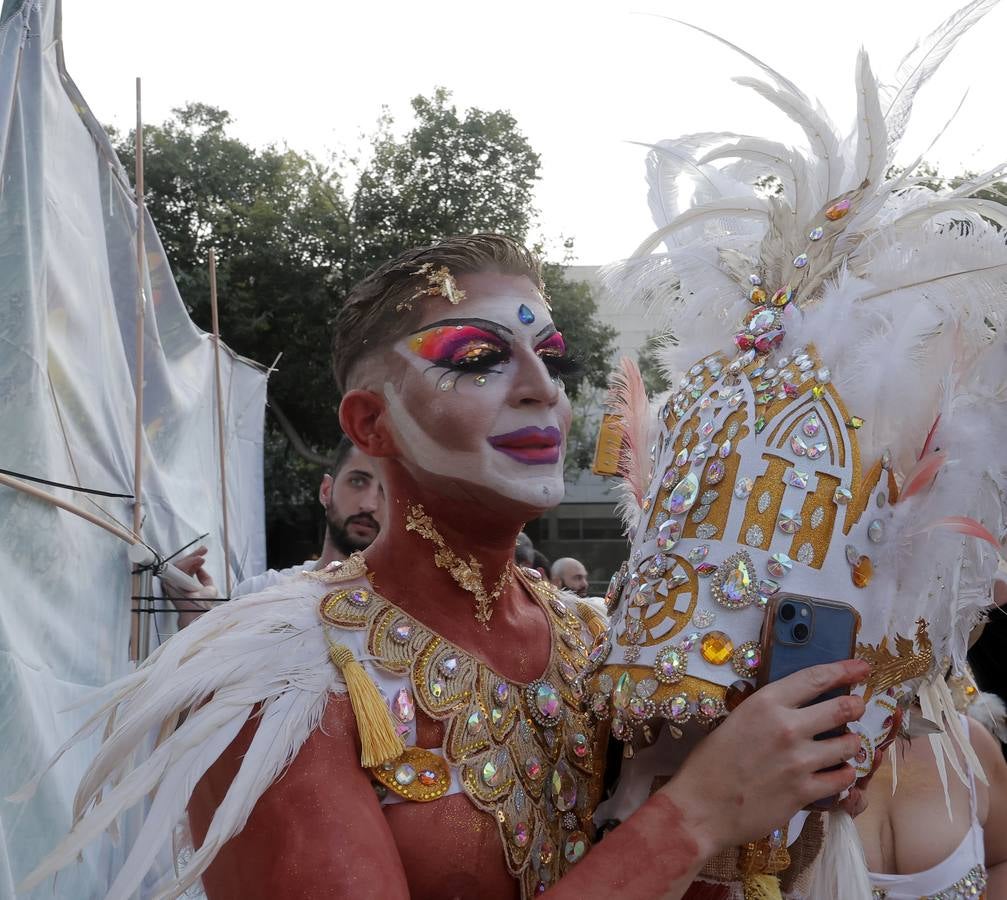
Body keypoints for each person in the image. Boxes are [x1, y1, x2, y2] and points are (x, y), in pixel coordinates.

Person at [21, 235, 868, 900]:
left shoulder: (603, 644)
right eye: (476, 358)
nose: (541, 388)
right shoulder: (276, 679)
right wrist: (691, 818)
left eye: (552, 357)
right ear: (372, 423)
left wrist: (765, 799)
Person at [168, 435, 384, 626]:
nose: (369, 504)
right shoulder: (258, 595)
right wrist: (194, 621)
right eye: (357, 481)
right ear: (326, 490)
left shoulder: (405, 613)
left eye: (385, 491)